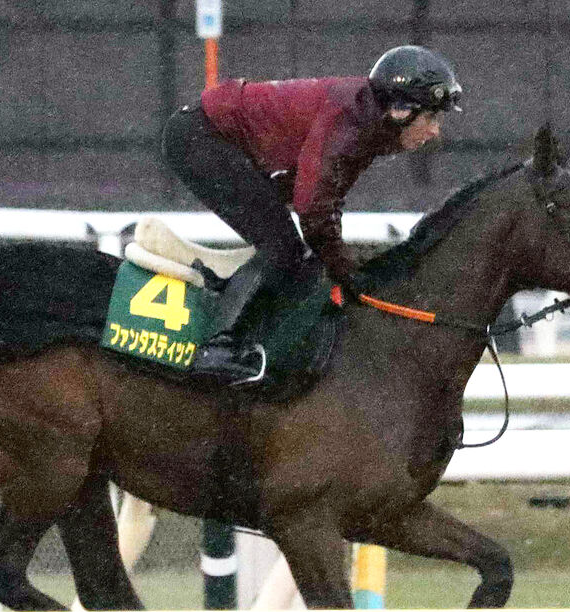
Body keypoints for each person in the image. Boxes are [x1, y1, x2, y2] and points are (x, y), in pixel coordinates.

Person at [161, 44, 462, 384]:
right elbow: (315, 211)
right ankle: (219, 350)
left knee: (293, 253)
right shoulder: (352, 121)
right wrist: (349, 275)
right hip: (199, 137)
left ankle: (232, 304)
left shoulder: (368, 123)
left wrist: (340, 267)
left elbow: (317, 198)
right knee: (285, 249)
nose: (436, 131)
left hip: (210, 137)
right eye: (432, 117)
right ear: (401, 110)